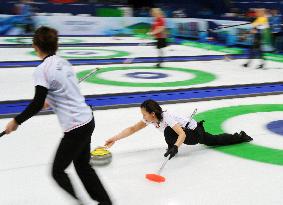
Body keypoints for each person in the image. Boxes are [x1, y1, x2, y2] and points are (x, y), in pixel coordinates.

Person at [4, 26, 112, 205]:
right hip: (87, 119)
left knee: (57, 171)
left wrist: (16, 121)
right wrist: (51, 100)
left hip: (76, 127)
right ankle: (105, 202)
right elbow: (64, 89)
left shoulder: (42, 70)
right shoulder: (64, 62)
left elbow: (38, 102)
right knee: (83, 166)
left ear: (35, 46)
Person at [104, 99, 253, 160]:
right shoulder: (150, 119)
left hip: (194, 133)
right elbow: (132, 129)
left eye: (144, 114)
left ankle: (239, 137)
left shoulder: (166, 117)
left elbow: (180, 134)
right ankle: (240, 137)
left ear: (152, 114)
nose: (143, 117)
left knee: (170, 131)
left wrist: (175, 147)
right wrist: (114, 138)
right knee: (214, 140)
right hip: (188, 133)